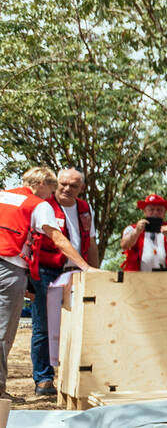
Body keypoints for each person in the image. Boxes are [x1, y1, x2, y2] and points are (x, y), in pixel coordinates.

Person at [27, 167, 102, 396]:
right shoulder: (44, 206)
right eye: (64, 184)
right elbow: (48, 239)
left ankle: (80, 376)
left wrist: (94, 271)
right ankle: (44, 379)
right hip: (48, 269)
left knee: (83, 323)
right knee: (44, 325)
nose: (67, 189)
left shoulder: (85, 208)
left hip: (78, 273)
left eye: (74, 185)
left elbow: (91, 242)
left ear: (82, 188)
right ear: (56, 183)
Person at [0, 167, 57, 401]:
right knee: (3, 331)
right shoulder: (37, 204)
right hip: (10, 267)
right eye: (50, 191)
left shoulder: (2, 194)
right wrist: (83, 264)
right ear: (42, 183)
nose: (49, 198)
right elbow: (56, 235)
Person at [119, 194, 167, 271]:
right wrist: (136, 232)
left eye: (159, 210)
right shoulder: (132, 228)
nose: (155, 212)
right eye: (151, 209)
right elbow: (124, 245)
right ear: (145, 211)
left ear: (165, 212)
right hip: (137, 279)